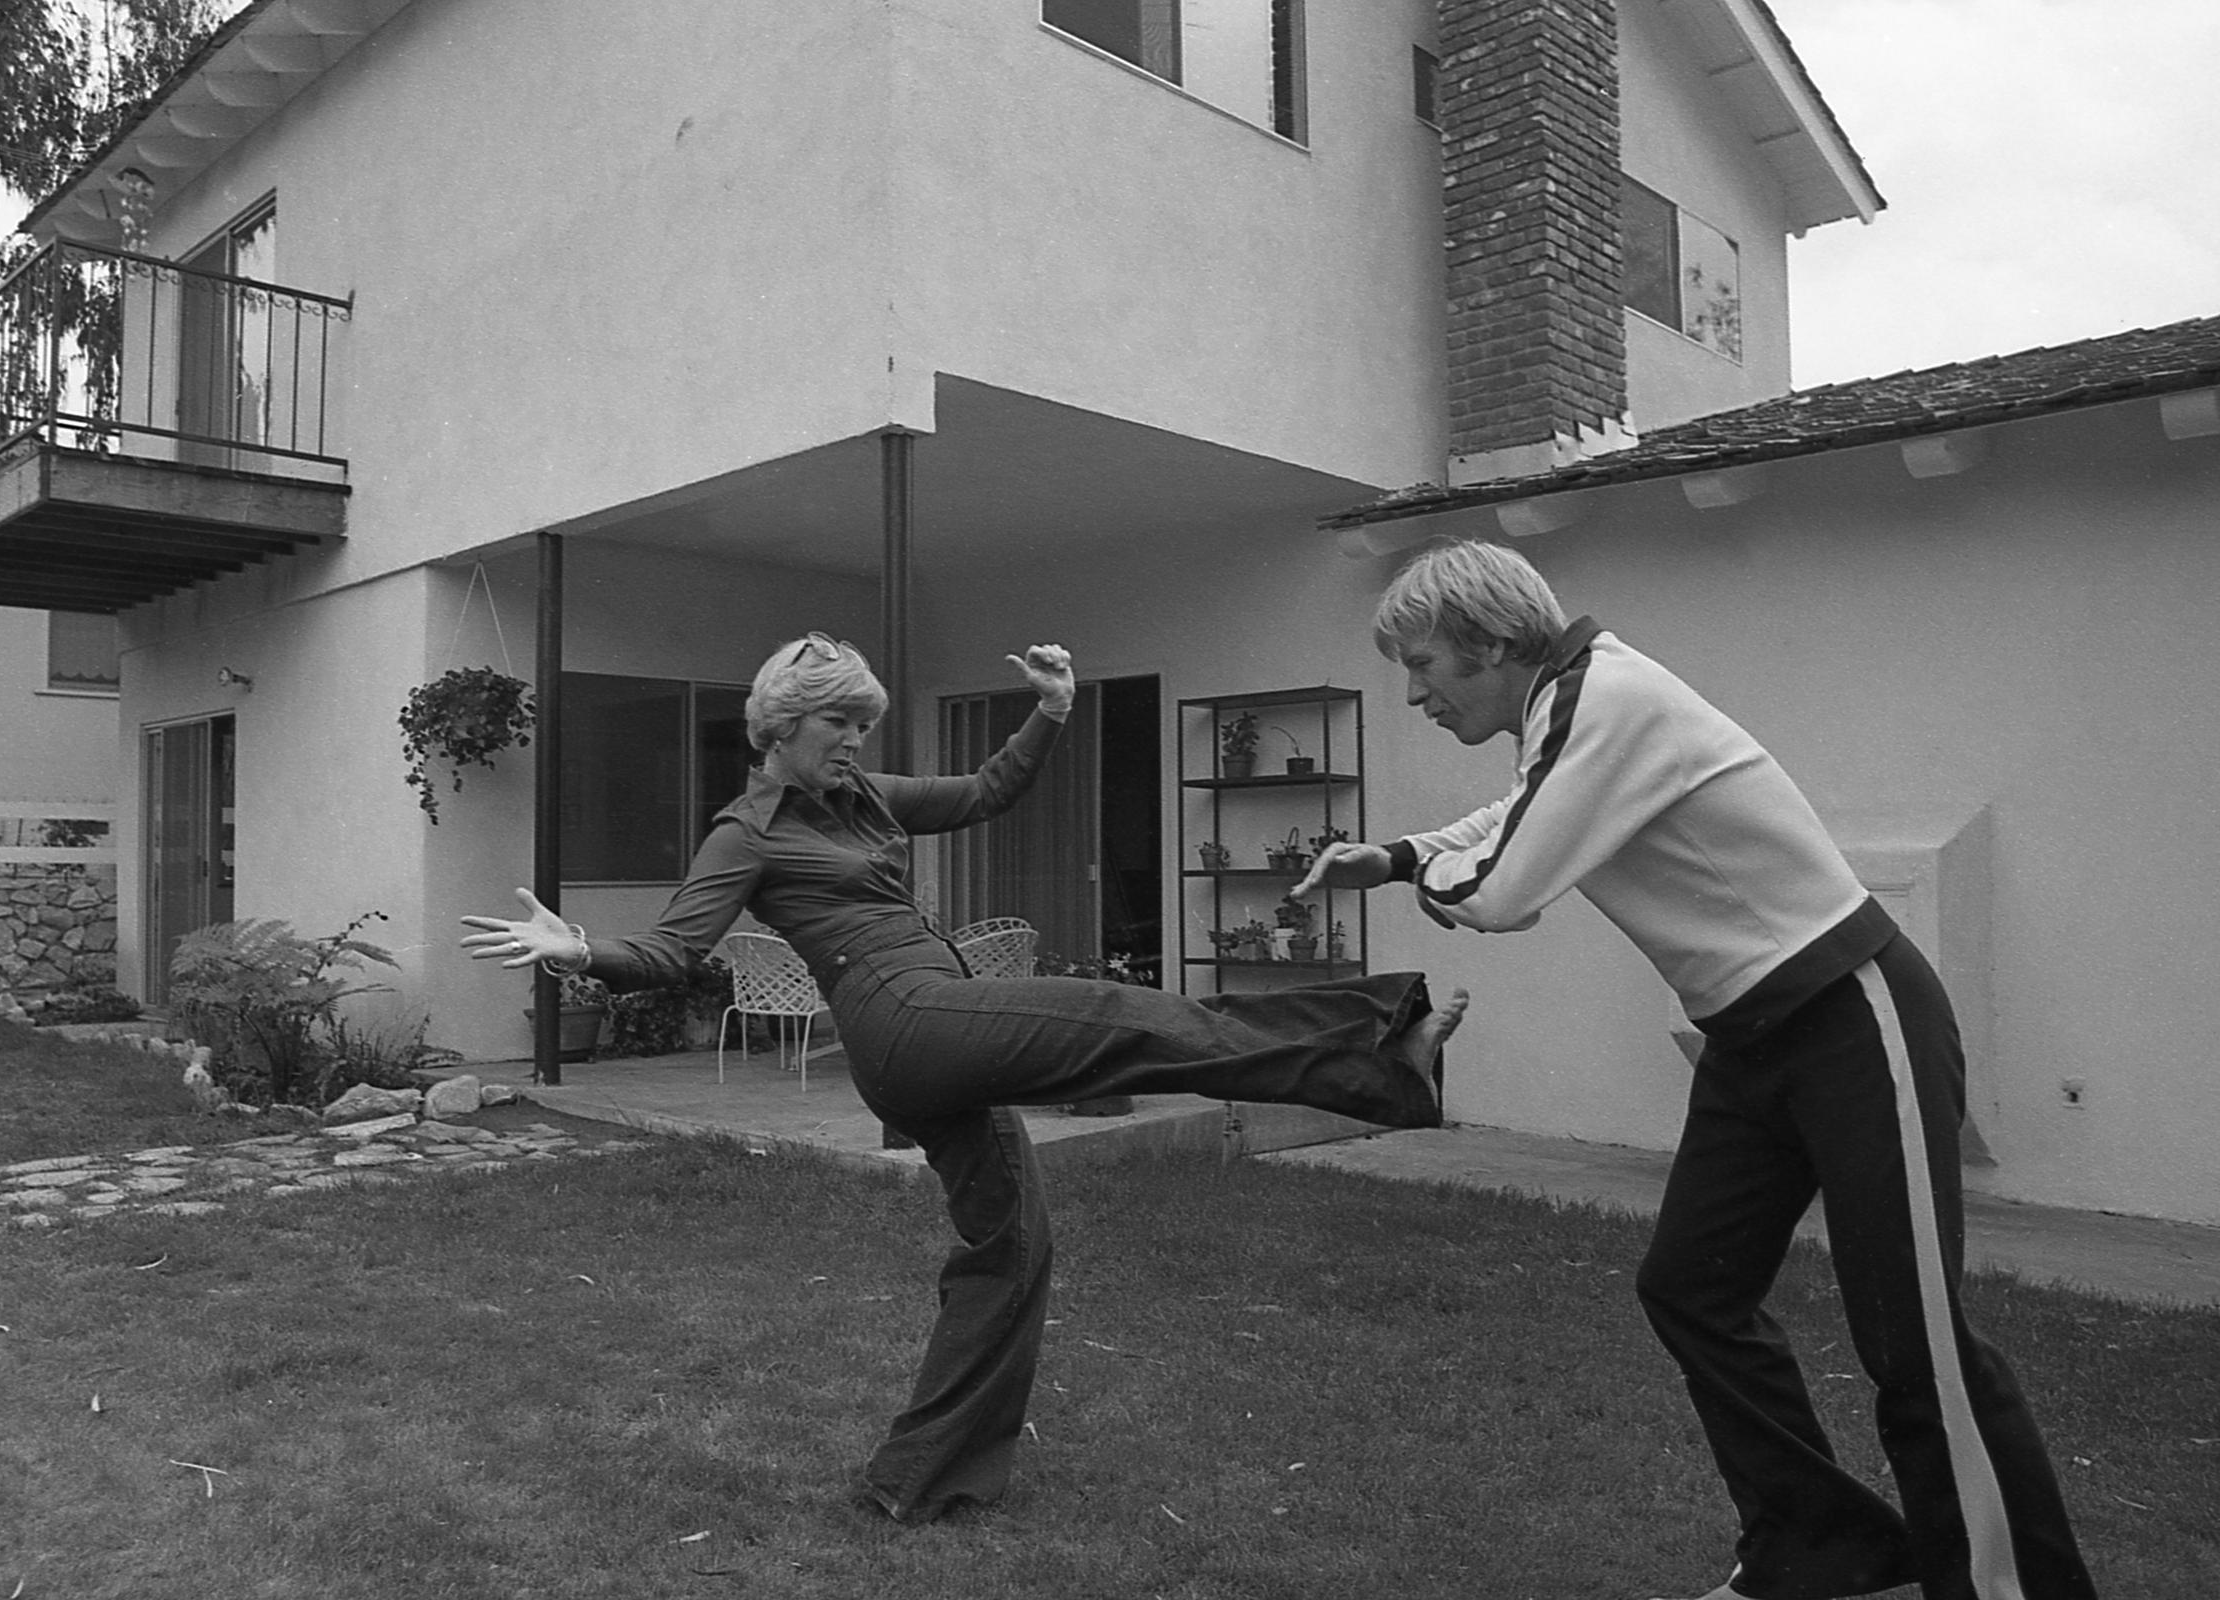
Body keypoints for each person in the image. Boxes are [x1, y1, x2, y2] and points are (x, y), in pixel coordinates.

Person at [461, 631, 1467, 1527]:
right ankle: (1384, 1047)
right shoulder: (747, 830)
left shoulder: (863, 798)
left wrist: (1052, 710)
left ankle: (920, 1479)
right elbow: (676, 949)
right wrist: (580, 948)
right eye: (837, 722)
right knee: (1125, 1017)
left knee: (1013, 1247)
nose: (854, 740)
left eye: (863, 723)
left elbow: (987, 791)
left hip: (935, 1019)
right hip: (902, 1022)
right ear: (780, 725)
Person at [1294, 539, 2095, 1600]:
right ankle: (1819, 1544)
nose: (1412, 694)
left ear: (1488, 642)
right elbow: (1523, 811)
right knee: (1692, 1288)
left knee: (1916, 1344)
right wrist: (1398, 856)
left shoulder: (1605, 697)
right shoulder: (1565, 708)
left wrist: (1429, 878)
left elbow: (1503, 887)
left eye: (1422, 664)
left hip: (1854, 1016)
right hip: (1752, 1040)